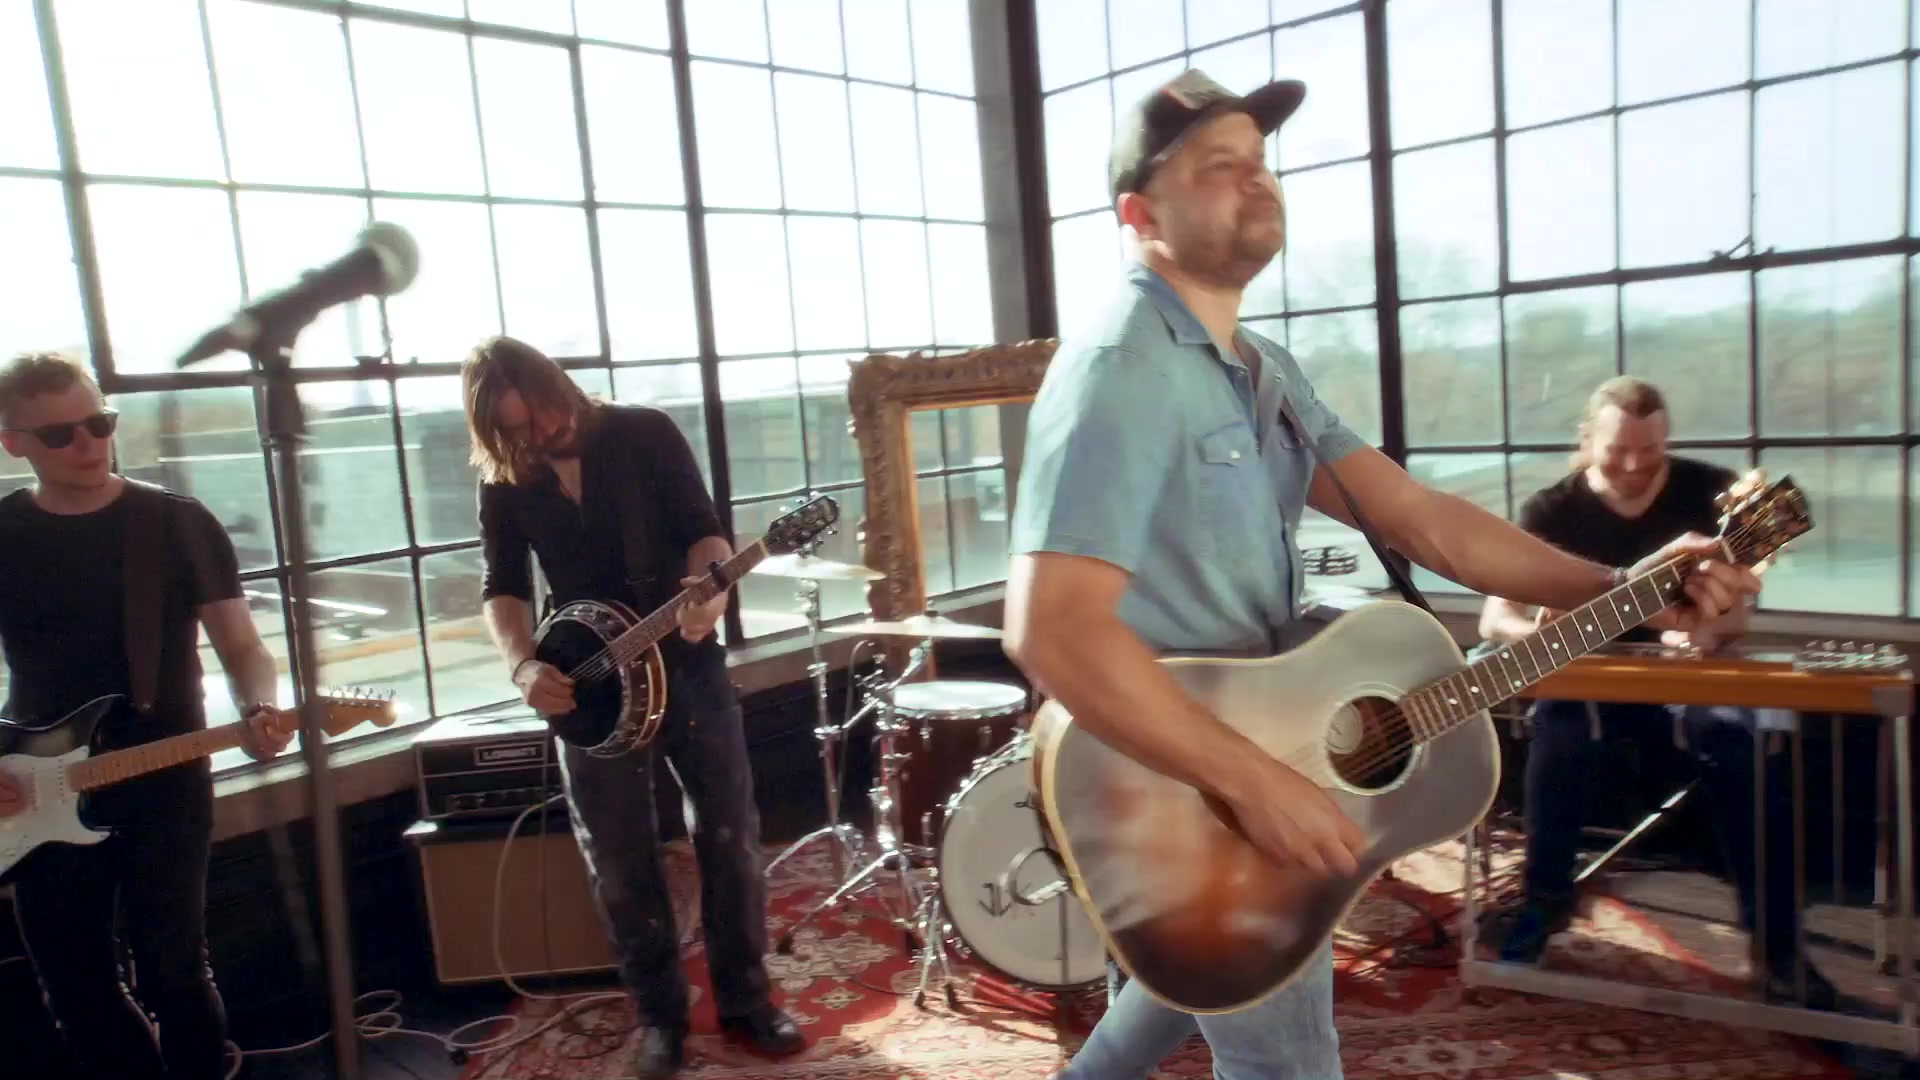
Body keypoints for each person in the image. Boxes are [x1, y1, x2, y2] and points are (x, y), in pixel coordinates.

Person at [1003, 70, 1760, 1080]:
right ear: (1140, 214)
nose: (1257, 180)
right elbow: (1052, 629)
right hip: (1200, 780)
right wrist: (1255, 783)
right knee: (1285, 1060)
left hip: (1257, 763)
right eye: (1218, 166)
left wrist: (1622, 587)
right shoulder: (1119, 365)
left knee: (1181, 981)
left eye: (1260, 160)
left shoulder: (1260, 369)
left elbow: (1419, 517)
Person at [465, 336, 802, 1078]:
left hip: (688, 666)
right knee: (618, 858)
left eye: (540, 416)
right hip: (585, 685)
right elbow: (502, 585)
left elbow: (704, 532)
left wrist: (708, 599)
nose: (537, 435)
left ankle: (748, 1000)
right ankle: (658, 1016)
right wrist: (522, 666)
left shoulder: (644, 432)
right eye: (516, 430)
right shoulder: (507, 480)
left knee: (729, 836)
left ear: (557, 385)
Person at [1477, 375, 1835, 1004]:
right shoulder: (1549, 512)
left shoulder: (1710, 492)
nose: (1635, 465)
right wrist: (1539, 638)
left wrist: (1703, 636)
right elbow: (1493, 620)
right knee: (1559, 729)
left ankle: (1778, 946)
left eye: (1650, 450)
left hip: (1686, 685)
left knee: (1742, 742)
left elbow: (1734, 616)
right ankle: (1542, 904)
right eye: (1618, 450)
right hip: (1587, 686)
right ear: (1586, 441)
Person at [0, 352, 292, 1080]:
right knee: (75, 984)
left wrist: (259, 705)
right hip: (33, 789)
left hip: (166, 776)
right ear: (13, 444)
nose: (89, 443)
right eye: (60, 434)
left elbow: (243, 646)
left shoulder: (176, 523)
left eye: (99, 422)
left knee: (174, 970)